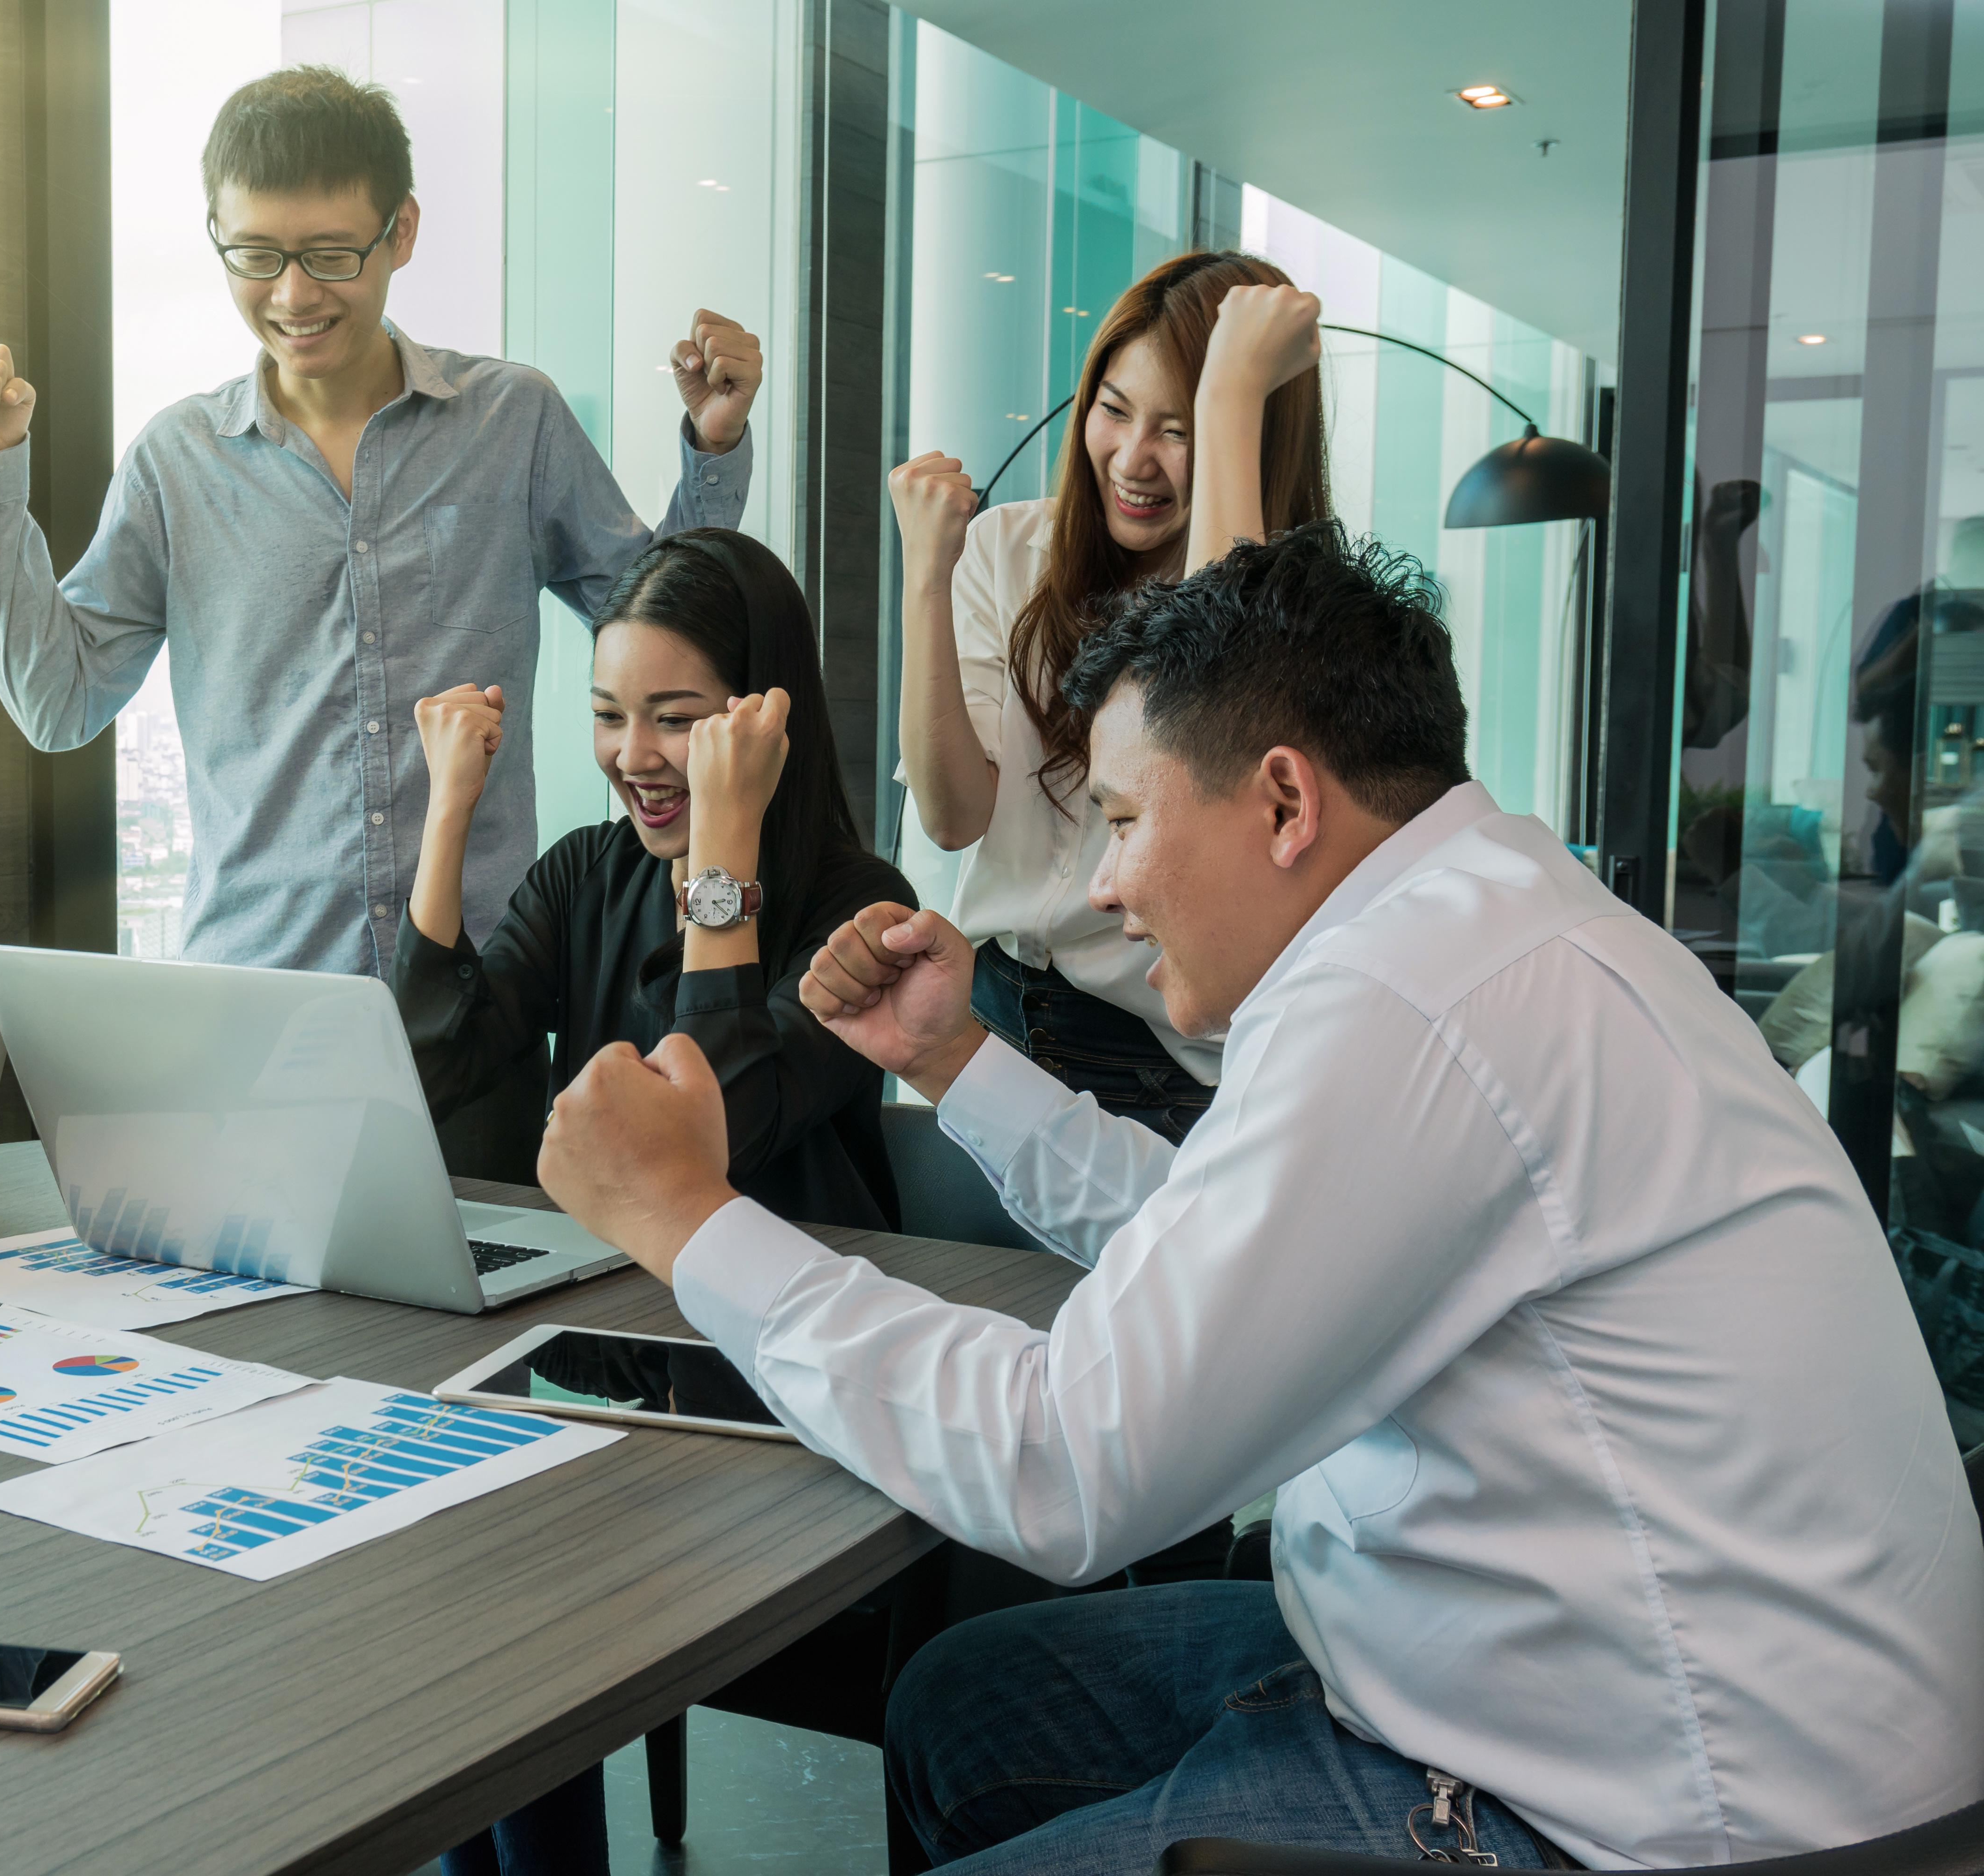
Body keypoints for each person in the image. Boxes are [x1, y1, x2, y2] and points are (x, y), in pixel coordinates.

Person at [533, 521, 1984, 1868]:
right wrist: (956, 1059)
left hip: (1650, 1818)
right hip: (1516, 1677)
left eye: (1120, 818)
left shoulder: (1416, 999)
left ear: (1283, 798)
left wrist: (683, 1221)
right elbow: (1213, 1232)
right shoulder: (1474, 918)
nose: (1104, 886)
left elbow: (1063, 1467)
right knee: (969, 1697)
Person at [0, 65, 761, 985]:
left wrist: (713, 450)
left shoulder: (511, 421)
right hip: (256, 999)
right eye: (255, 255)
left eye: (329, 255)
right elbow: (58, 702)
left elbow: (662, 631)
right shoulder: (178, 460)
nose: (292, 297)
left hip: (483, 991)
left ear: (399, 231)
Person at [404, 526, 911, 1876]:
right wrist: (450, 808)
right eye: (608, 715)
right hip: (625, 1361)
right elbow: (443, 1058)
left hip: (789, 1383)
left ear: (761, 716)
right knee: (477, 1579)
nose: (634, 753)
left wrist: (725, 851)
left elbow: (718, 1119)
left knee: (518, 1590)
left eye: (677, 719)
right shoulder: (585, 874)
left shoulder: (858, 911)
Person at [887, 252, 1323, 1146]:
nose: (1133, 460)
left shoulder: (1300, 612)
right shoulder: (1010, 549)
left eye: (1181, 428)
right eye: (1114, 410)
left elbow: (1207, 731)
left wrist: (1233, 392)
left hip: (1161, 1062)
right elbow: (952, 816)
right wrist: (927, 576)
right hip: (991, 1018)